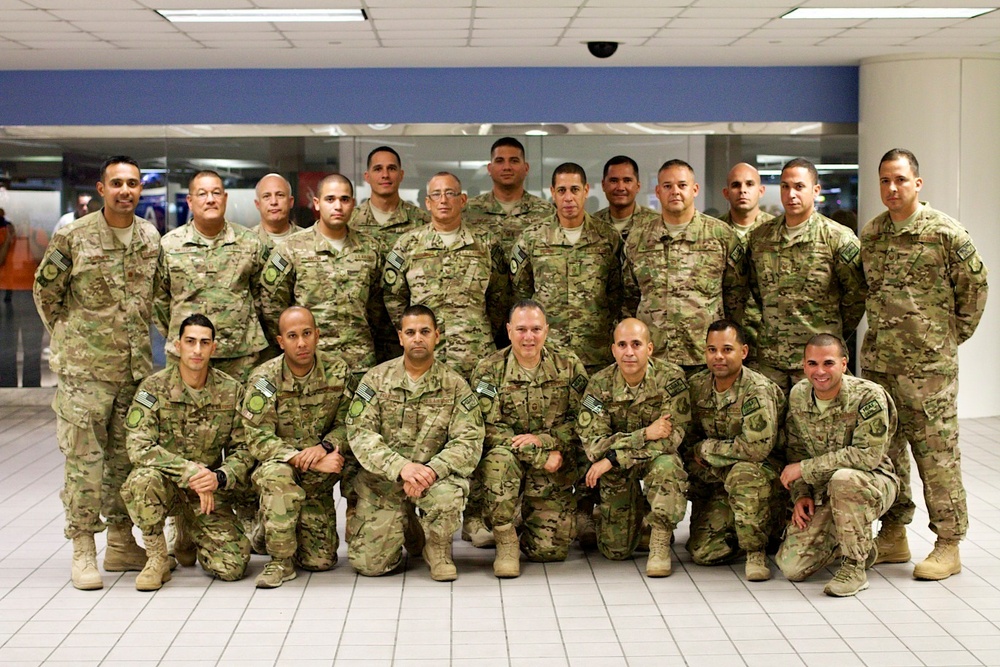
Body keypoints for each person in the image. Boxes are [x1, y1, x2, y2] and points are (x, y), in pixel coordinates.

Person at [33, 156, 160, 590]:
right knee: (85, 462)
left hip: (133, 371)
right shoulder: (73, 236)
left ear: (140, 189)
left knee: (126, 460)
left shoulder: (149, 237)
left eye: (133, 183)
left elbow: (154, 299)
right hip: (84, 373)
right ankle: (83, 546)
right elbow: (46, 294)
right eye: (117, 183)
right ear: (101, 189)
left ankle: (122, 542)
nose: (126, 190)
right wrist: (72, 339)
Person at [862, 148, 989, 580]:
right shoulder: (873, 234)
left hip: (929, 373)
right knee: (888, 453)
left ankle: (948, 543)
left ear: (917, 183)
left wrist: (945, 341)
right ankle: (893, 533)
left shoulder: (945, 234)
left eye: (900, 179)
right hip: (880, 366)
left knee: (937, 457)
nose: (892, 188)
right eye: (884, 180)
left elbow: (975, 291)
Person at [347, 305, 484, 582]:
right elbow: (360, 432)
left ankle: (438, 547)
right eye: (410, 332)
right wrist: (401, 467)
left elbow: (468, 439)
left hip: (433, 480)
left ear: (437, 336)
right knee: (371, 566)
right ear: (400, 338)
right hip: (385, 480)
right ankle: (406, 523)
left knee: (448, 497)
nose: (417, 338)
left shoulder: (455, 385)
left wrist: (432, 470)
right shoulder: (375, 380)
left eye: (424, 332)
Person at [121, 314, 253, 590]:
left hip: (206, 493)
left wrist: (219, 476)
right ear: (177, 346)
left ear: (213, 349)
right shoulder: (153, 389)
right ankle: (156, 556)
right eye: (190, 342)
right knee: (142, 480)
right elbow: (138, 446)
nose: (197, 350)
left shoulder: (231, 391)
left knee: (231, 566)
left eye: (204, 343)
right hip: (166, 486)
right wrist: (190, 471)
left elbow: (245, 449)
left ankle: (188, 531)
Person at [471, 300, 587, 577]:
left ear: (547, 330)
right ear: (509, 330)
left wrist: (545, 440)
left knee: (549, 552)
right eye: (521, 329)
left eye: (536, 329)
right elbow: (486, 428)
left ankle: (528, 516)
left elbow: (585, 420)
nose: (528, 337)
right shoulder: (489, 370)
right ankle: (505, 539)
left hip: (553, 466)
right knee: (498, 460)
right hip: (511, 461)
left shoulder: (568, 365)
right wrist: (537, 453)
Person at [777, 334, 899, 597]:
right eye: (812, 363)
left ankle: (854, 567)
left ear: (844, 364)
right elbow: (795, 452)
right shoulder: (799, 395)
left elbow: (867, 456)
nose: (819, 371)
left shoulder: (869, 396)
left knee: (843, 479)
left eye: (828, 363)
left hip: (871, 483)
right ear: (804, 365)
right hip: (824, 487)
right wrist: (802, 494)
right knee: (792, 568)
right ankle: (855, 541)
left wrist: (806, 469)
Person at [242, 307, 354, 588]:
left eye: (306, 334)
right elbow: (258, 436)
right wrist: (302, 458)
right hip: (280, 471)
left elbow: (350, 422)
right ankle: (280, 562)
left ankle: (265, 528)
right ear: (281, 342)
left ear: (317, 335)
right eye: (292, 336)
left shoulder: (338, 371)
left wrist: (327, 446)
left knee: (321, 562)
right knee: (277, 476)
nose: (301, 343)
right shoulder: (264, 380)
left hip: (317, 480)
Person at [577, 318, 691, 577]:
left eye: (636, 344)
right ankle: (631, 518)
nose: (629, 352)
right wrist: (644, 434)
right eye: (622, 345)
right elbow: (594, 447)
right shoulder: (599, 385)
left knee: (667, 464)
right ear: (613, 350)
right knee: (615, 551)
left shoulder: (671, 379)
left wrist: (615, 456)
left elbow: (671, 439)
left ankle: (660, 538)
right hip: (618, 468)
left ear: (649, 348)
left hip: (651, 460)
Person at [746, 158, 867, 392]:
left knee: (820, 425)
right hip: (772, 360)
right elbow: (756, 290)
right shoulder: (761, 238)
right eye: (785, 186)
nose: (791, 194)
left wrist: (830, 331)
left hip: (819, 362)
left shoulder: (838, 238)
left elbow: (856, 297)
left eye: (799, 187)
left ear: (815, 190)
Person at [622, 159, 748, 375]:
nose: (675, 192)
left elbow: (737, 294)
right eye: (668, 186)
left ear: (695, 189)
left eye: (682, 185)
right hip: (654, 357)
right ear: (658, 191)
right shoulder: (638, 239)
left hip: (705, 357)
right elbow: (629, 294)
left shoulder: (721, 236)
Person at [685, 320, 785, 581]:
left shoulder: (757, 390)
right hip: (718, 476)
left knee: (743, 472)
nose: (718, 356)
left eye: (727, 349)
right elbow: (687, 440)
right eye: (711, 350)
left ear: (744, 352)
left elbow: (755, 448)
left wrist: (705, 449)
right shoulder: (697, 387)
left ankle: (756, 549)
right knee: (702, 552)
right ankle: (756, 527)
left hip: (759, 474)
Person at [383, 171, 506, 379]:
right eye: (436, 194)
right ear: (428, 202)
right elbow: (393, 297)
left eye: (450, 193)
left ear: (463, 200)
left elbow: (500, 295)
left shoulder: (486, 243)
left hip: (475, 355)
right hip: (425, 357)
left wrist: (476, 329)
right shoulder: (408, 245)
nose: (443, 200)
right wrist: (414, 333)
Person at [154, 170, 270, 384]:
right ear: (189, 201)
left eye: (216, 193)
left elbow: (262, 296)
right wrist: (183, 333)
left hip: (239, 357)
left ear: (225, 199)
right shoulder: (169, 245)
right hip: (186, 356)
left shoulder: (250, 243)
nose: (210, 200)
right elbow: (158, 300)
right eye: (202, 194)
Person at [261, 174, 383, 376]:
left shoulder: (370, 249)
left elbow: (377, 309)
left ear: (353, 204)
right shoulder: (291, 248)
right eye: (330, 199)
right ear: (316, 203)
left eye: (344, 199)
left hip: (360, 362)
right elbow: (272, 304)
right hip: (310, 363)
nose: (338, 206)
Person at [510, 162, 623, 375]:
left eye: (575, 190)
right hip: (547, 353)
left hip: (596, 353)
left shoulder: (607, 237)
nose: (568, 198)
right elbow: (521, 291)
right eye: (562, 190)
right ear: (552, 192)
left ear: (586, 190)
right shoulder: (532, 238)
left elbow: (618, 292)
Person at [351, 146, 430, 363]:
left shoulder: (421, 222)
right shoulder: (351, 222)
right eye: (378, 169)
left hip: (410, 335)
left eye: (391, 168)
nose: (385, 175)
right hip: (360, 335)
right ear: (367, 176)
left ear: (401, 174)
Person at [719, 163, 774, 361]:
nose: (742, 190)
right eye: (736, 185)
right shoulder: (714, 232)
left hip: (766, 338)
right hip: (724, 338)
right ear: (726, 192)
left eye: (749, 184)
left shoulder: (775, 233)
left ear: (761, 191)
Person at [464, 136, 554, 254]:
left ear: (526, 168)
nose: (507, 167)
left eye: (514, 161)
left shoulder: (547, 212)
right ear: (490, 169)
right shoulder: (468, 211)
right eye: (500, 161)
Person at [0, 211, 45, 387]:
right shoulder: (4, 233)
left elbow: (41, 258)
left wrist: (29, 237)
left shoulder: (37, 233)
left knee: (32, 343)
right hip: (6, 292)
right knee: (6, 342)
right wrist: (9, 240)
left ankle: (32, 383)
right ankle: (6, 383)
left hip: (30, 292)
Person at [592, 155, 659, 241]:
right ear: (603, 185)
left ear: (638, 186)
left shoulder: (657, 223)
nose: (620, 187)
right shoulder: (591, 225)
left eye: (627, 180)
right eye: (613, 181)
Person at [251, 173, 301, 245]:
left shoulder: (310, 241)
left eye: (280, 195)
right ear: (257, 204)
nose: (274, 202)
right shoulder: (243, 242)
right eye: (266, 196)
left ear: (291, 202)